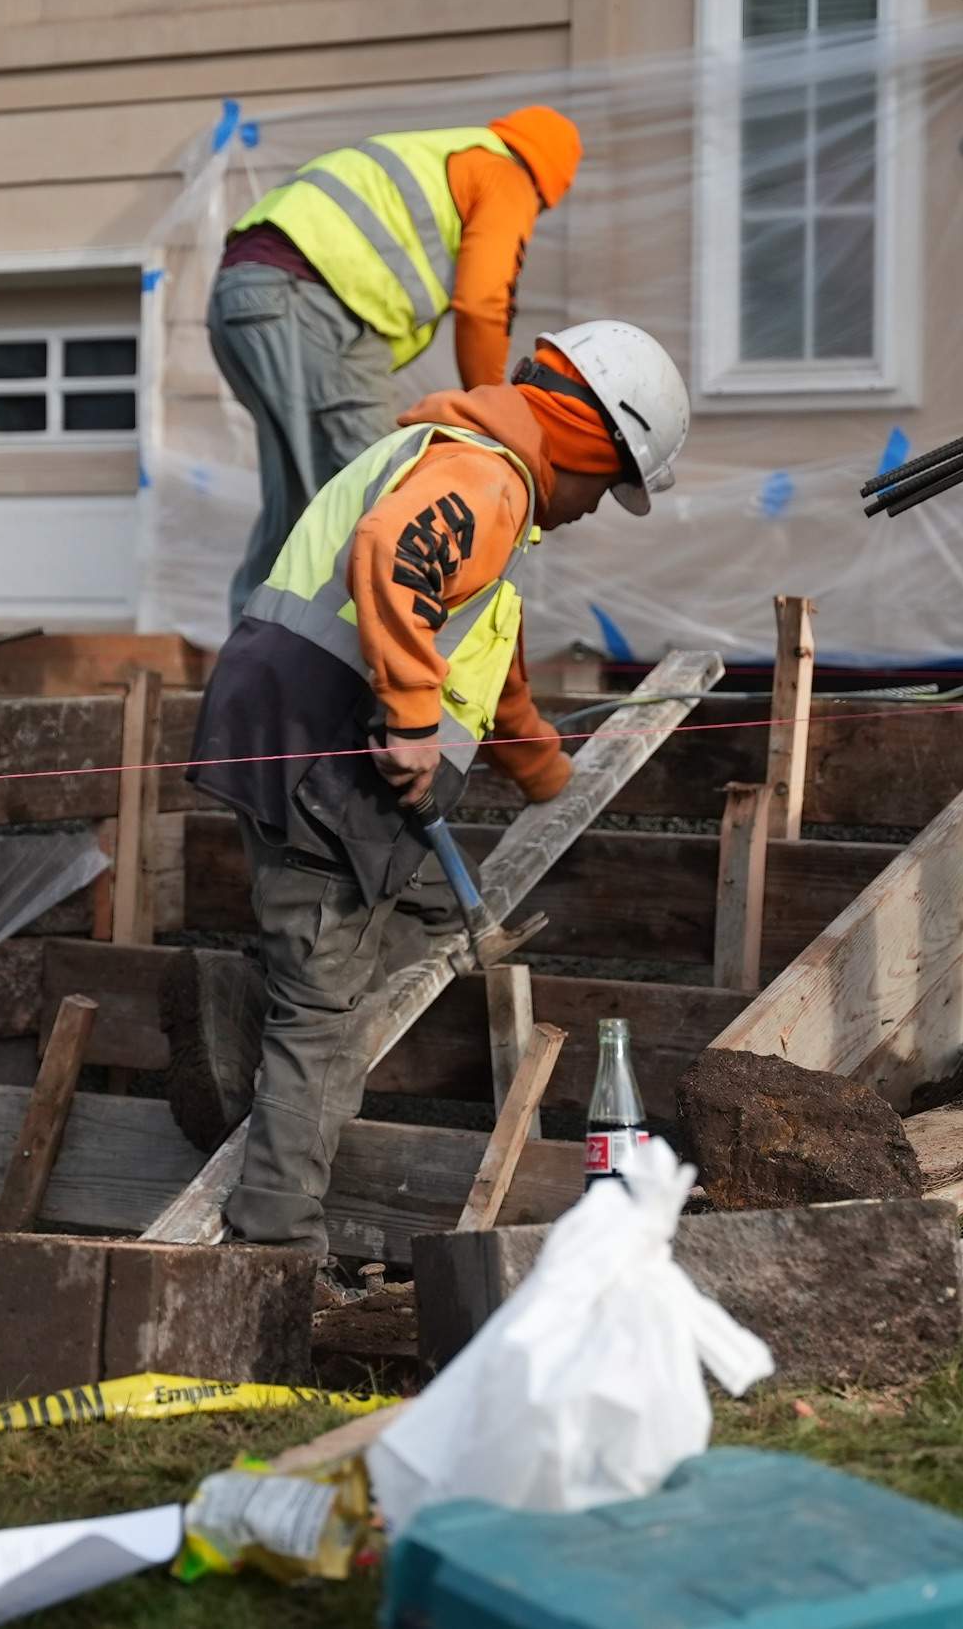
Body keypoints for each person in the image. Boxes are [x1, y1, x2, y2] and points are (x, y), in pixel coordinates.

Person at [191, 321, 689, 1249]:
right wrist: (415, 722)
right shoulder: (488, 476)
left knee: (417, 921)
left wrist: (542, 769)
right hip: (325, 752)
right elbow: (392, 551)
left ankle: (282, 1040)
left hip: (307, 736)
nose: (593, 509)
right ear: (588, 442)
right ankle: (274, 1238)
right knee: (322, 1003)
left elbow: (489, 660)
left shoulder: (470, 470)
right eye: (606, 486)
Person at [208, 106, 586, 623]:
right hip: (308, 306)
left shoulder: (447, 151)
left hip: (246, 297)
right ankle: (371, 655)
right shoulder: (506, 174)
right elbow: (483, 303)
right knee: (384, 497)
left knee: (301, 505)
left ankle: (254, 651)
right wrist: (495, 417)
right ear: (550, 182)